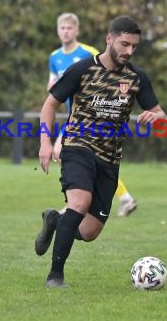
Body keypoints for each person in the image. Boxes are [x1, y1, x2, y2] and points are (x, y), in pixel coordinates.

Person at [36, 16, 166, 288]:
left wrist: (155, 116)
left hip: (110, 157)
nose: (129, 51)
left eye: (134, 46)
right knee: (79, 203)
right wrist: (46, 142)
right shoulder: (82, 69)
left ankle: (55, 221)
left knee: (89, 231)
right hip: (78, 146)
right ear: (109, 39)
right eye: (124, 44)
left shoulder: (137, 78)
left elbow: (158, 110)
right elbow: (49, 105)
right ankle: (55, 276)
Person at [48, 12, 139, 217]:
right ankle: (114, 198)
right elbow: (52, 83)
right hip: (73, 116)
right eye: (62, 28)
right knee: (63, 153)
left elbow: (107, 76)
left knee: (65, 152)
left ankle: (76, 204)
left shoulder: (88, 52)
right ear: (57, 30)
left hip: (93, 117)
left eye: (70, 28)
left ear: (77, 30)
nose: (66, 31)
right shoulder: (54, 57)